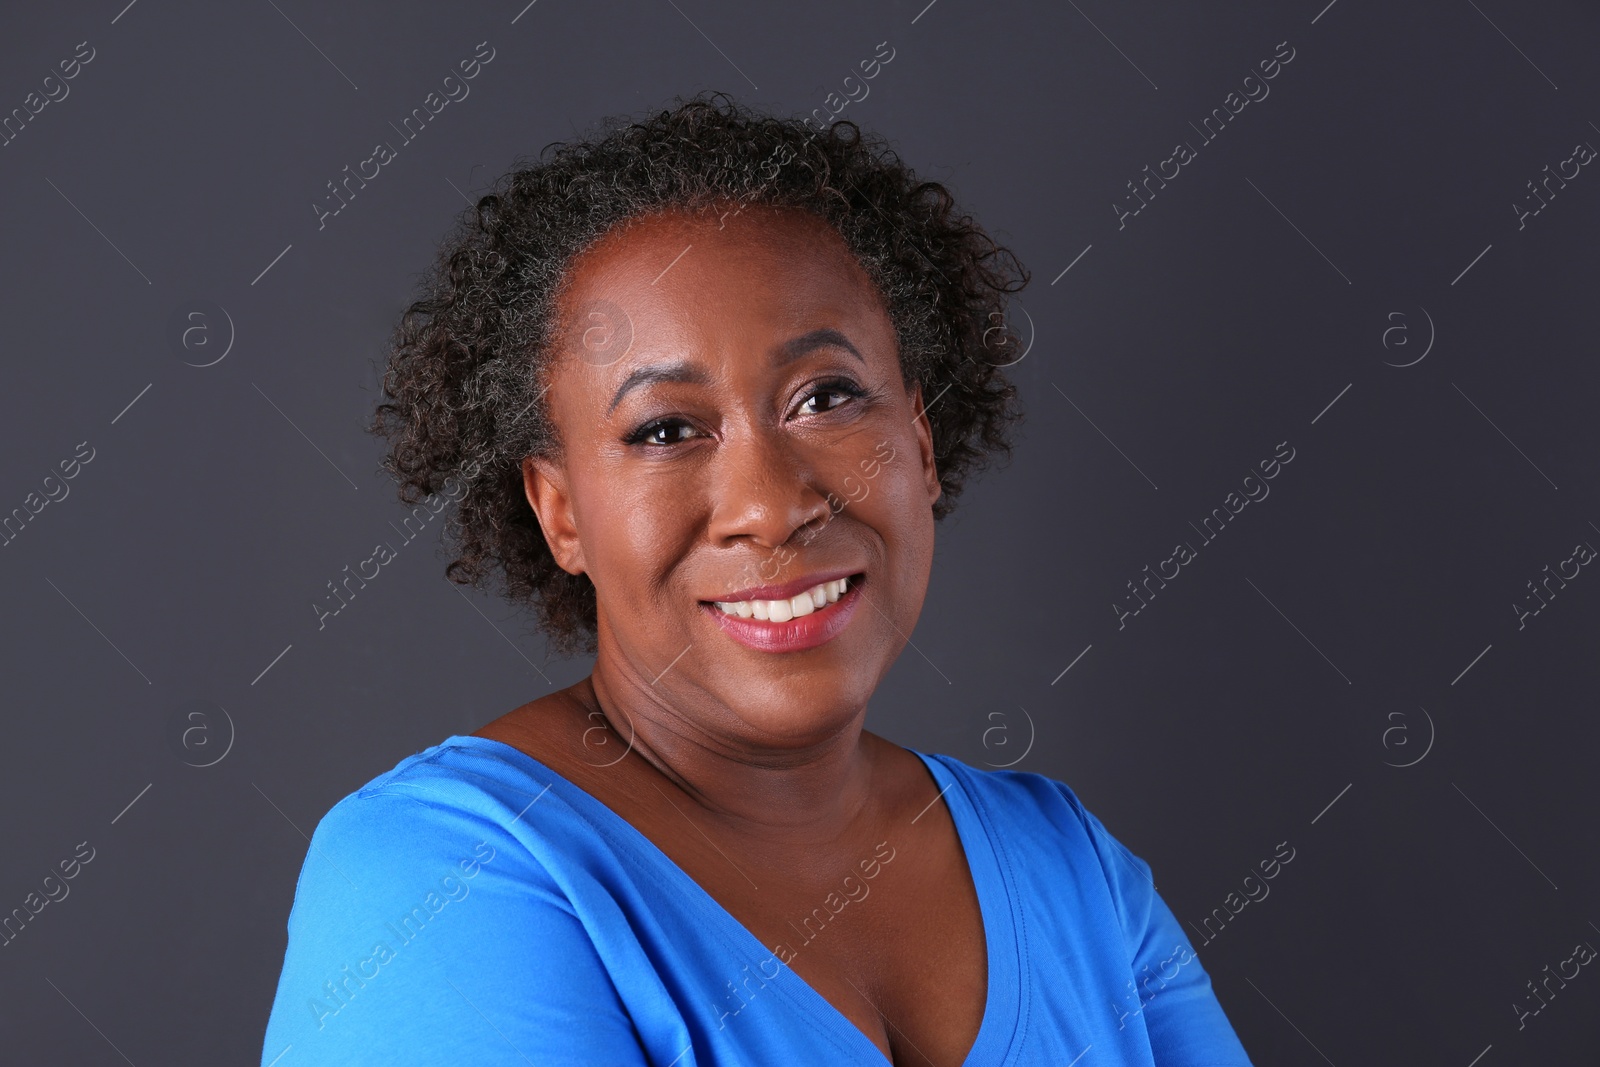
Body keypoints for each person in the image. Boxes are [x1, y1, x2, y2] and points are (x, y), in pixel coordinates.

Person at [260, 92, 1253, 1066]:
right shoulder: (441, 873)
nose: (771, 504)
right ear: (559, 511)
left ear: (918, 439)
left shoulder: (1072, 871)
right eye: (665, 430)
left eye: (825, 396)